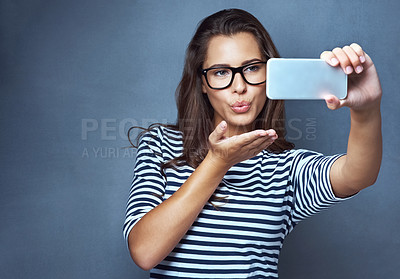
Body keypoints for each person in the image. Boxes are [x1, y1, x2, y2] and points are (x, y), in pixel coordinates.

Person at [123, 8, 382, 278]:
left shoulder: (286, 167)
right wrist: (217, 162)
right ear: (203, 82)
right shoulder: (160, 145)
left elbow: (357, 175)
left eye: (252, 68)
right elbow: (144, 252)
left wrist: (367, 109)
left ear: (270, 73)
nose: (239, 87)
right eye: (221, 72)